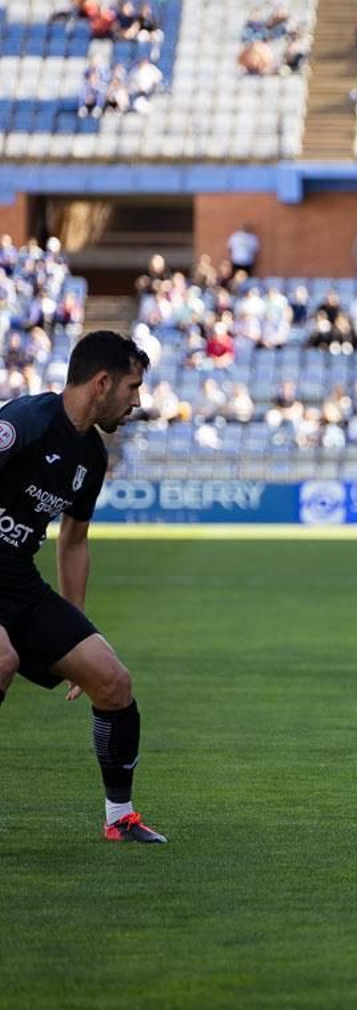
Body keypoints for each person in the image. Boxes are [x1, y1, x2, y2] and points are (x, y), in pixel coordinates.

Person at [0, 331, 166, 843]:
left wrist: (73, 634)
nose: (137, 401)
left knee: (113, 682)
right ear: (101, 382)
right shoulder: (25, 423)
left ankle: (120, 819)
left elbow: (72, 542)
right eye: (133, 387)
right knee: (1, 659)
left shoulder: (91, 457)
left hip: (18, 582)